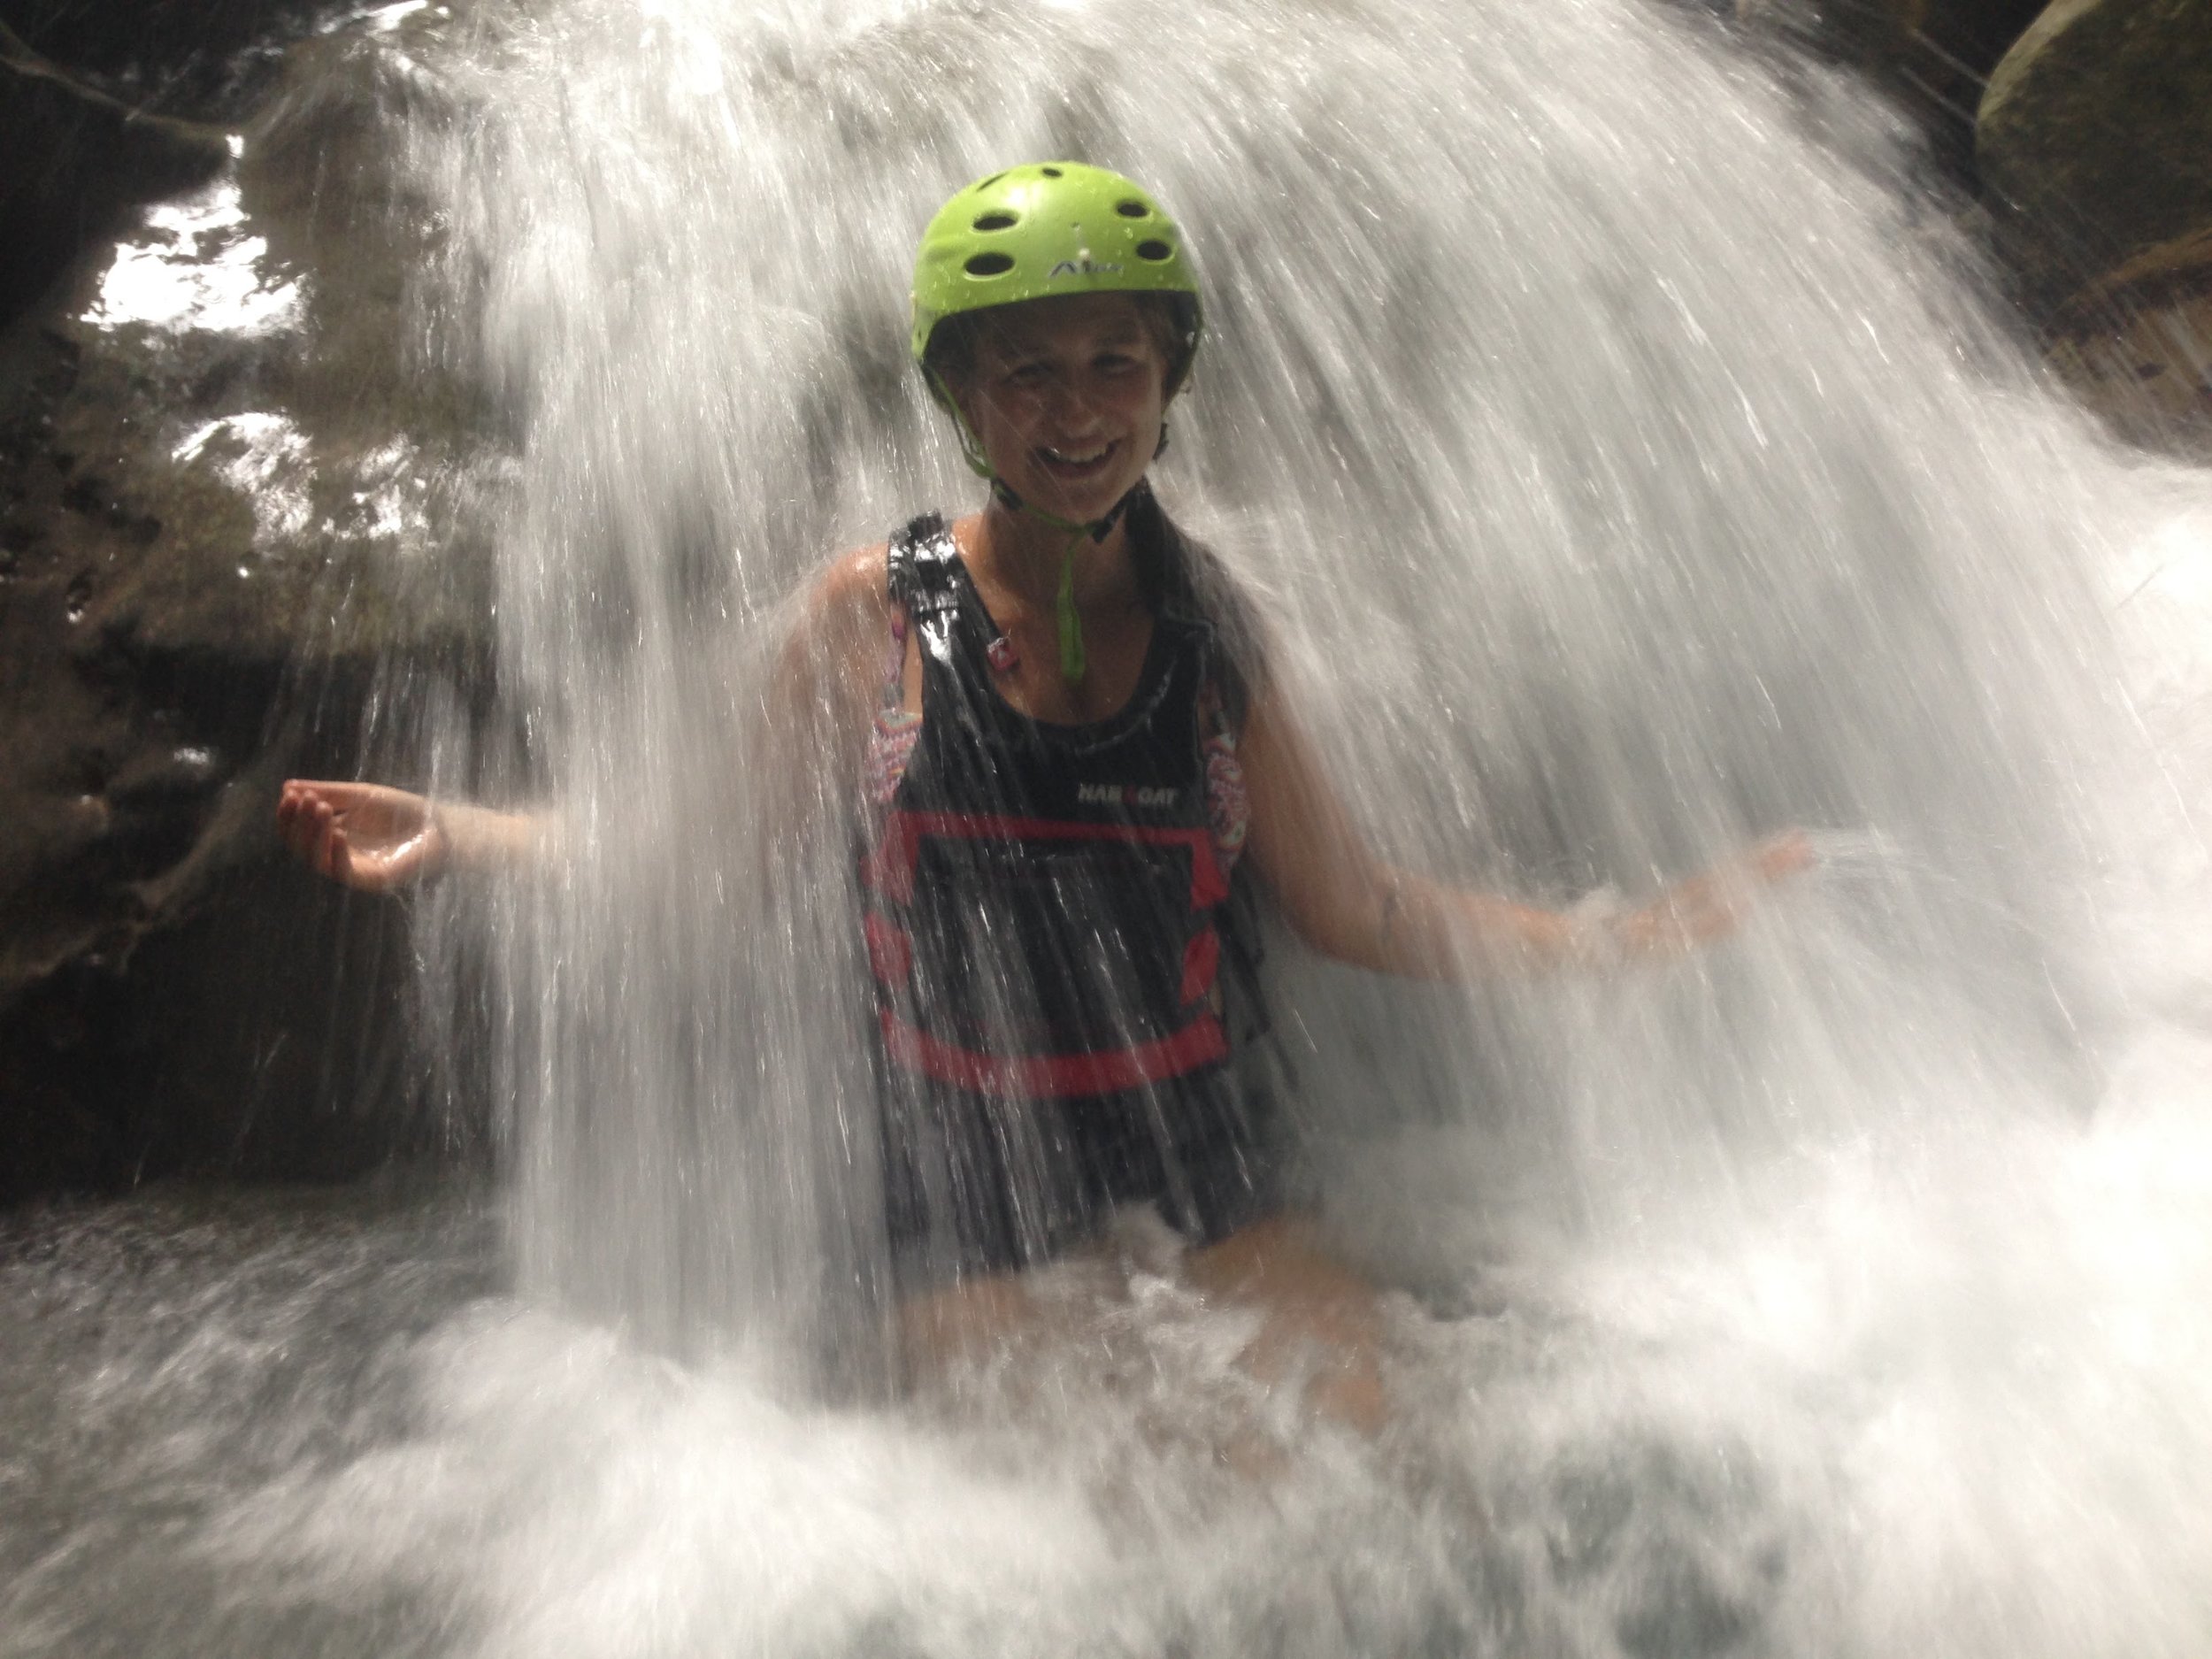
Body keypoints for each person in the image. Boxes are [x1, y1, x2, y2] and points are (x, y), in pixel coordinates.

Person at [279, 161, 1809, 1439]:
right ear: (960, 390)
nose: (1074, 410)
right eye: (1027, 370)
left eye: (1113, 365)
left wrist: (1627, 937)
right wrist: (458, 835)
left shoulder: (1216, 636)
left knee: (1377, 1458)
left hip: (1210, 1165)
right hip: (957, 1185)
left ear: (1168, 381)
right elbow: (701, 862)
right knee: (1087, 1486)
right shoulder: (869, 616)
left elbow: (1360, 907)